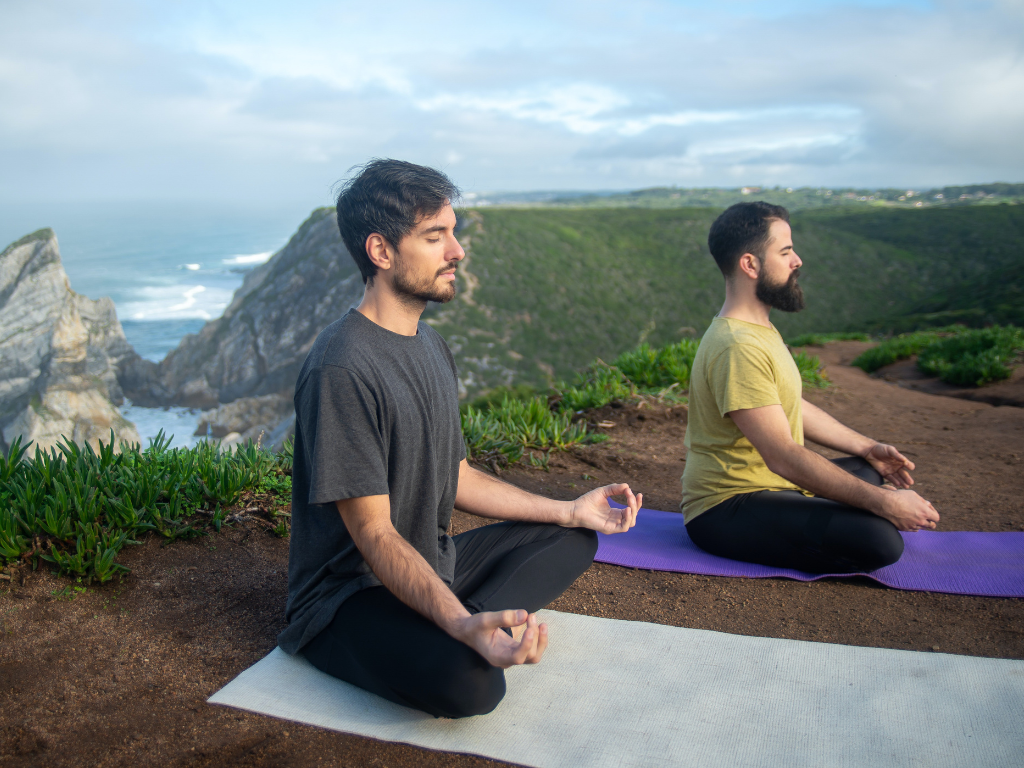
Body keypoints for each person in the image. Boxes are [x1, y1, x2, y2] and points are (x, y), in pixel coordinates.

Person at [278, 159, 642, 719]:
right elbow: (372, 532)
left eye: (453, 232)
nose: (457, 251)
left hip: (431, 559)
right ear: (380, 251)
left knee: (572, 538)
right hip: (349, 595)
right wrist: (458, 622)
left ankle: (451, 618)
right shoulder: (342, 368)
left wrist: (570, 510)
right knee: (474, 688)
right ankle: (456, 625)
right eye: (434, 237)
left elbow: (457, 476)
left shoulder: (432, 346)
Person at [681, 201, 939, 574]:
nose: (797, 260)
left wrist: (868, 447)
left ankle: (846, 500)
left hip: (774, 487)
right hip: (726, 508)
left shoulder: (759, 330)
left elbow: (791, 405)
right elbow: (783, 456)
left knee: (867, 471)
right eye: (785, 252)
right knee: (880, 541)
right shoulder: (737, 346)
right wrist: (882, 504)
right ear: (750, 264)